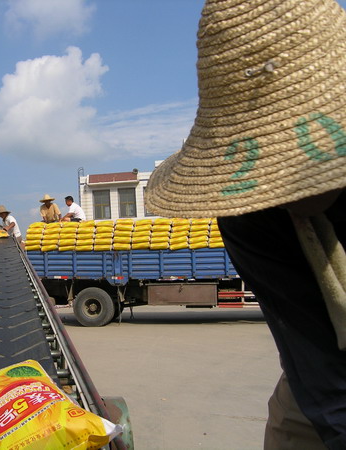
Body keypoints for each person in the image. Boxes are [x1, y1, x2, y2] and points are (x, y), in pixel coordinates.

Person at [145, 0, 346, 448]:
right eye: (273, 166)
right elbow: (323, 370)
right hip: (327, 361)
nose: (287, 188)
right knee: (294, 427)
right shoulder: (250, 214)